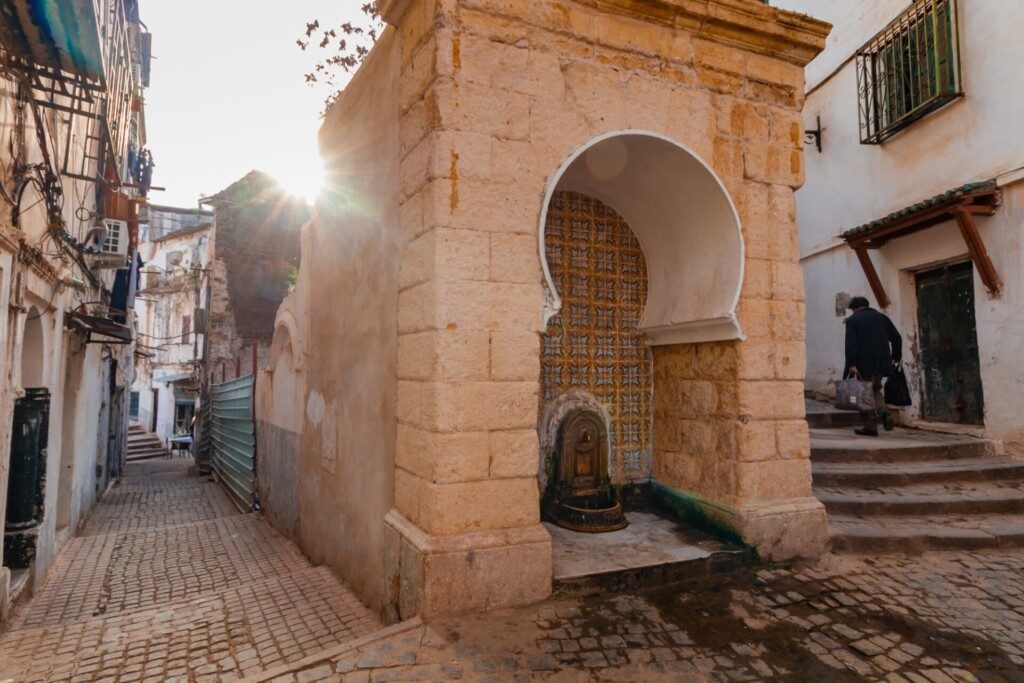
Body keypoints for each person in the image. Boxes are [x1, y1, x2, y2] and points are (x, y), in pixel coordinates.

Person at [844, 296, 902, 436]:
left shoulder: (853, 320)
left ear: (854, 308)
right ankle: (885, 414)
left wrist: (851, 364)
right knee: (875, 390)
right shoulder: (882, 317)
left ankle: (870, 427)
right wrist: (895, 356)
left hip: (863, 364)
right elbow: (897, 337)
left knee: (864, 394)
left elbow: (851, 344)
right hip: (882, 363)